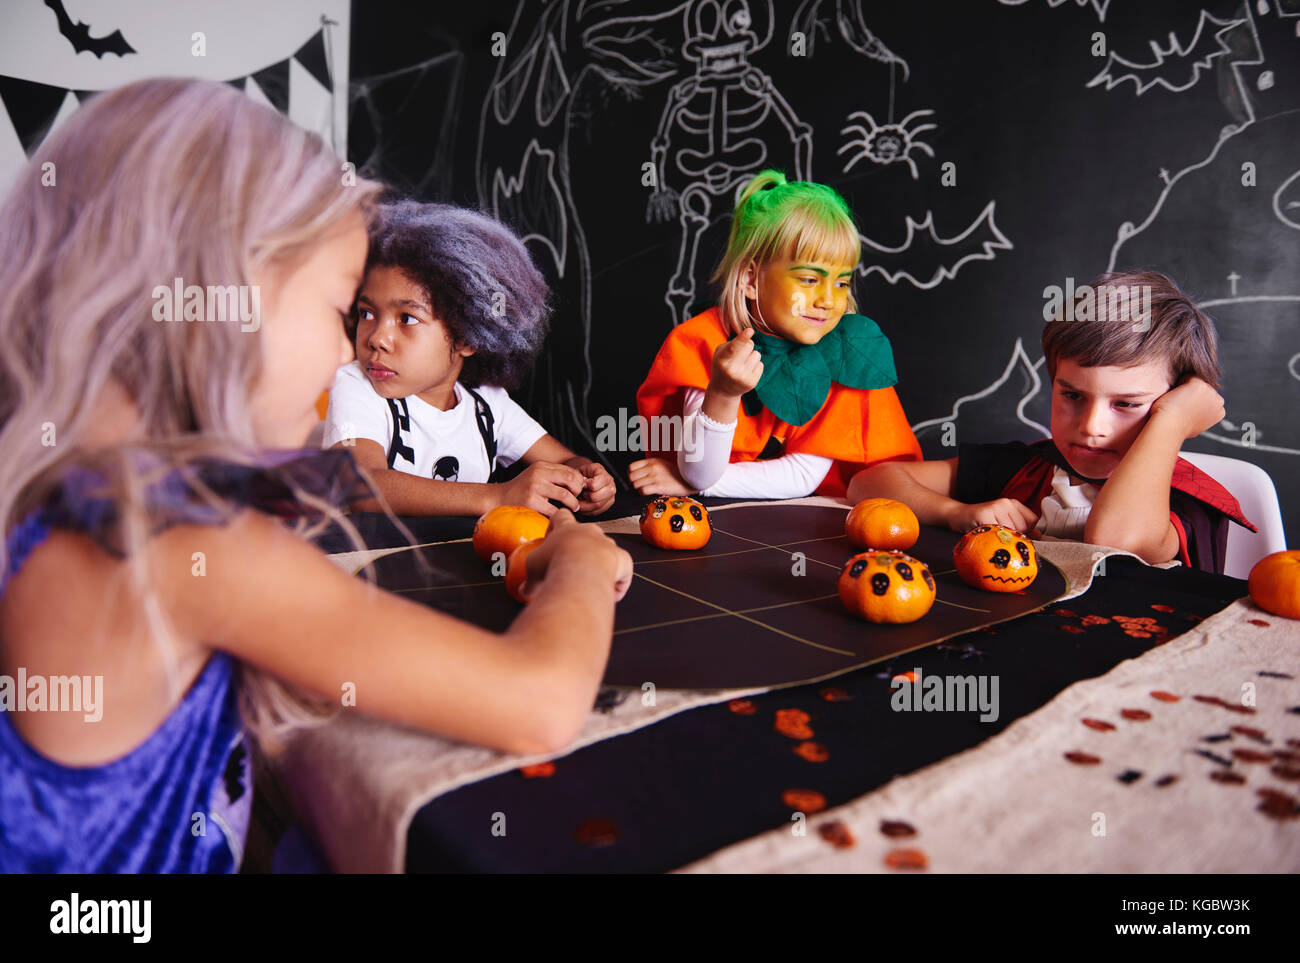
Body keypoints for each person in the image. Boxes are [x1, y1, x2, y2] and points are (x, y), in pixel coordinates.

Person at [0, 78, 631, 873]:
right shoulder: (184, 545)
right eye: (343, 308)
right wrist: (581, 562)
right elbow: (536, 702)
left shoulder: (58, 485)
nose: (349, 352)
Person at [847, 271, 1255, 573]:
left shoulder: (1185, 502)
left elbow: (1116, 542)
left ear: (1177, 401)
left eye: (1127, 404)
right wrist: (956, 512)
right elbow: (869, 483)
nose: (1091, 426)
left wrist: (1171, 422)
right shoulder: (1020, 468)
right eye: (1072, 395)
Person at [631, 169, 920, 500]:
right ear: (752, 280)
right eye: (810, 280)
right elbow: (699, 469)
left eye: (841, 283)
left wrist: (694, 483)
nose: (828, 300)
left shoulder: (843, 356)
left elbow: (801, 475)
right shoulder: (703, 342)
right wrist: (723, 393)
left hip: (821, 521)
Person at [322, 202, 616, 517]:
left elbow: (566, 462)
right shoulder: (355, 385)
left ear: (467, 338)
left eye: (406, 319)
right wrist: (498, 496)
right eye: (367, 313)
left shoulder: (488, 405)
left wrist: (587, 479)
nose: (377, 338)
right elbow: (360, 486)